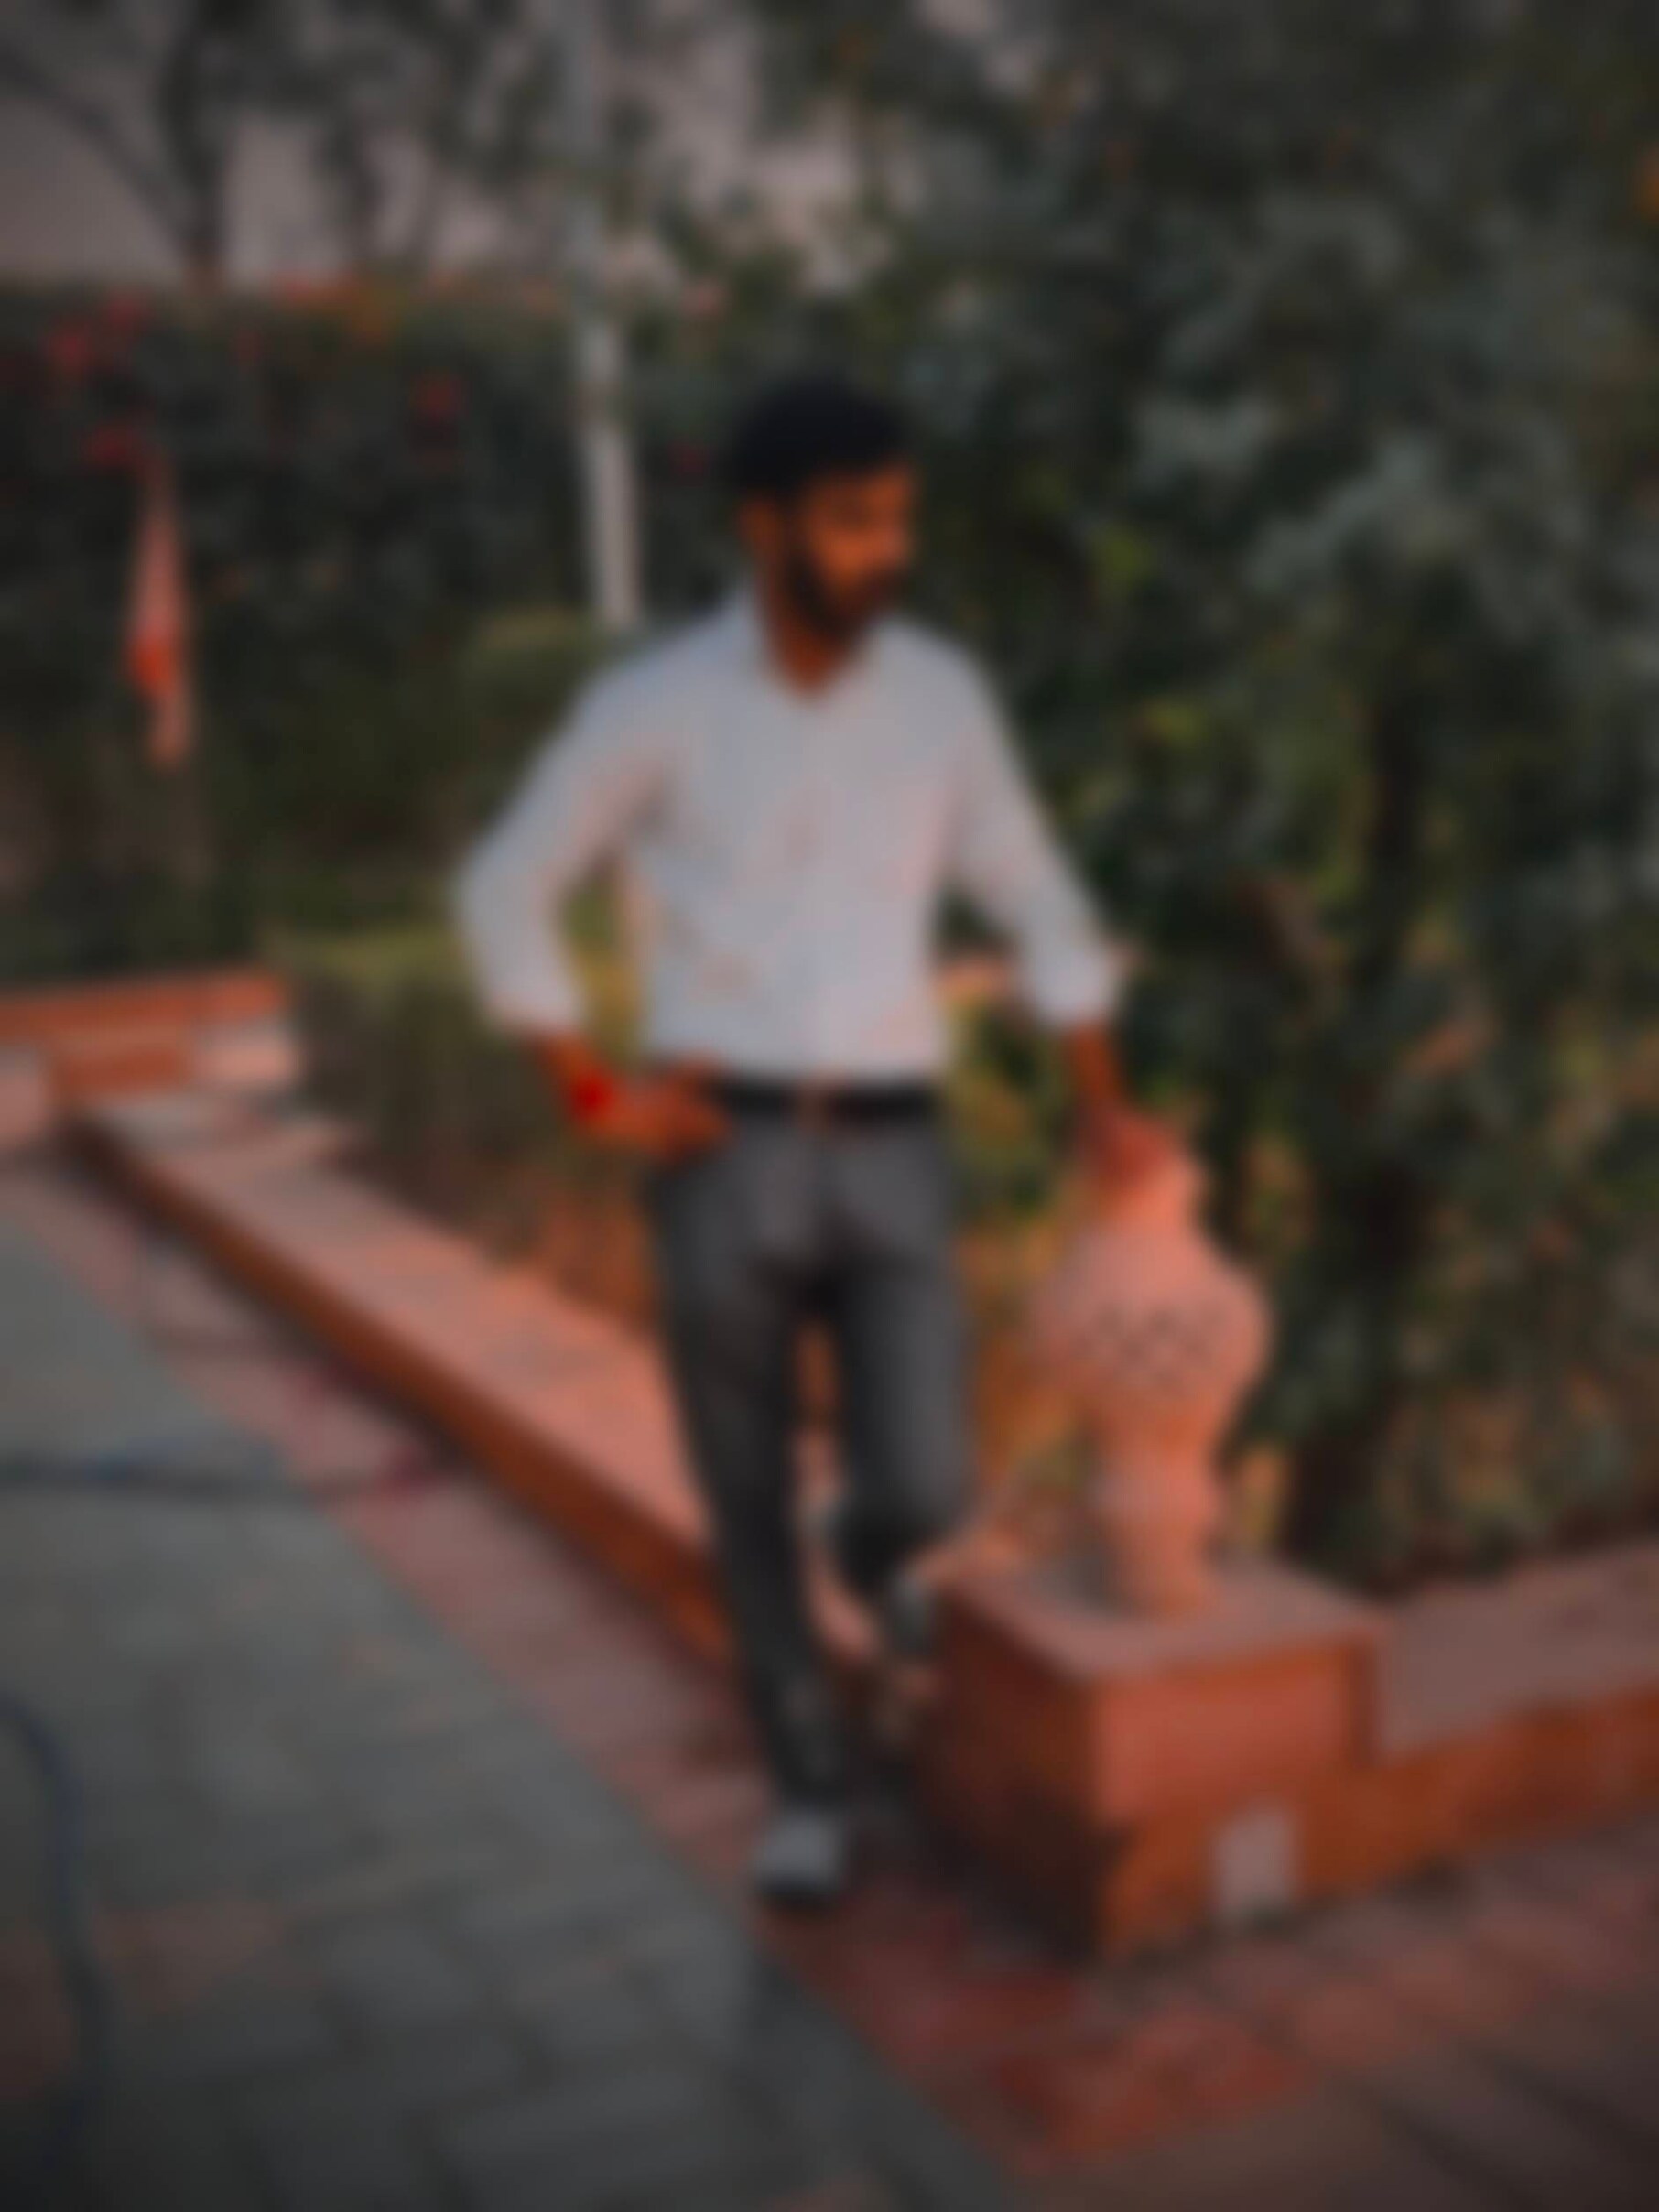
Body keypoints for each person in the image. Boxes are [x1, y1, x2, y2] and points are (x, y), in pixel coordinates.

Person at [452, 374, 1171, 1907]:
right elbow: (504, 884)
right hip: (722, 1148)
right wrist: (595, 1095)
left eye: (897, 519)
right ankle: (806, 1784)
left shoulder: (941, 696)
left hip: (896, 1144)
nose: (884, 550)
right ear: (762, 524)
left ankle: (873, 1546)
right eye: (852, 522)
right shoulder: (656, 706)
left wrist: (1099, 1093)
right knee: (741, 1493)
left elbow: (1034, 888)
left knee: (928, 1483)